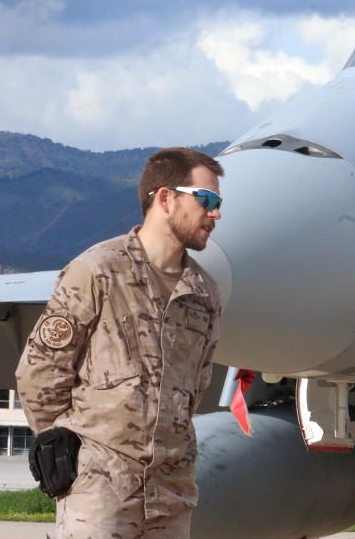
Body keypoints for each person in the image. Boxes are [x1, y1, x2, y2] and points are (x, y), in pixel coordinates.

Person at [15, 147, 225, 539]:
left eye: (218, 203)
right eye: (207, 200)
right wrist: (61, 441)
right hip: (101, 490)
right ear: (166, 198)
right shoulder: (97, 271)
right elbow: (40, 369)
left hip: (172, 494)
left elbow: (196, 385)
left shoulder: (204, 294)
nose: (215, 214)